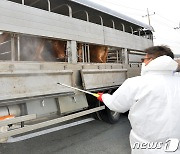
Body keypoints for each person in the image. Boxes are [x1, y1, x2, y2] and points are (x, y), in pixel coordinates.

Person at [97, 45, 180, 154]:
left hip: (146, 147)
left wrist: (102, 97)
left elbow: (116, 105)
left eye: (143, 59)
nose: (143, 62)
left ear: (150, 60)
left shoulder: (135, 83)